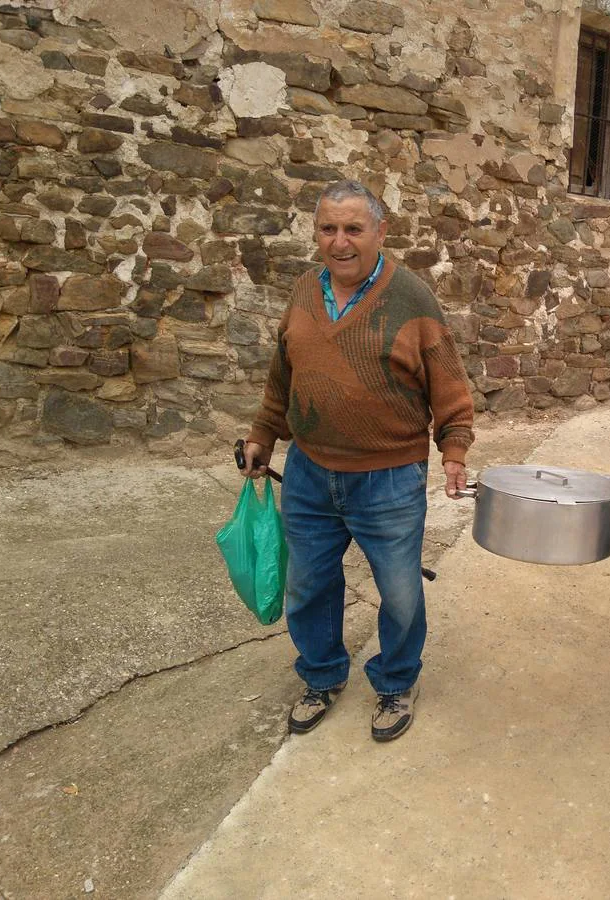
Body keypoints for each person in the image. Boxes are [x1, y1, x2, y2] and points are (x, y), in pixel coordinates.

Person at [240, 180, 474, 742]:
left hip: (388, 478)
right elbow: (282, 377)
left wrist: (454, 450)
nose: (339, 242)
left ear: (379, 233)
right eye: (328, 229)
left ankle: (396, 683)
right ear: (317, 233)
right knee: (308, 585)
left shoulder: (411, 297)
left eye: (353, 229)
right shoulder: (303, 291)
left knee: (398, 591)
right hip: (309, 472)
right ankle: (321, 674)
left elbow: (449, 384)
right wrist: (262, 435)